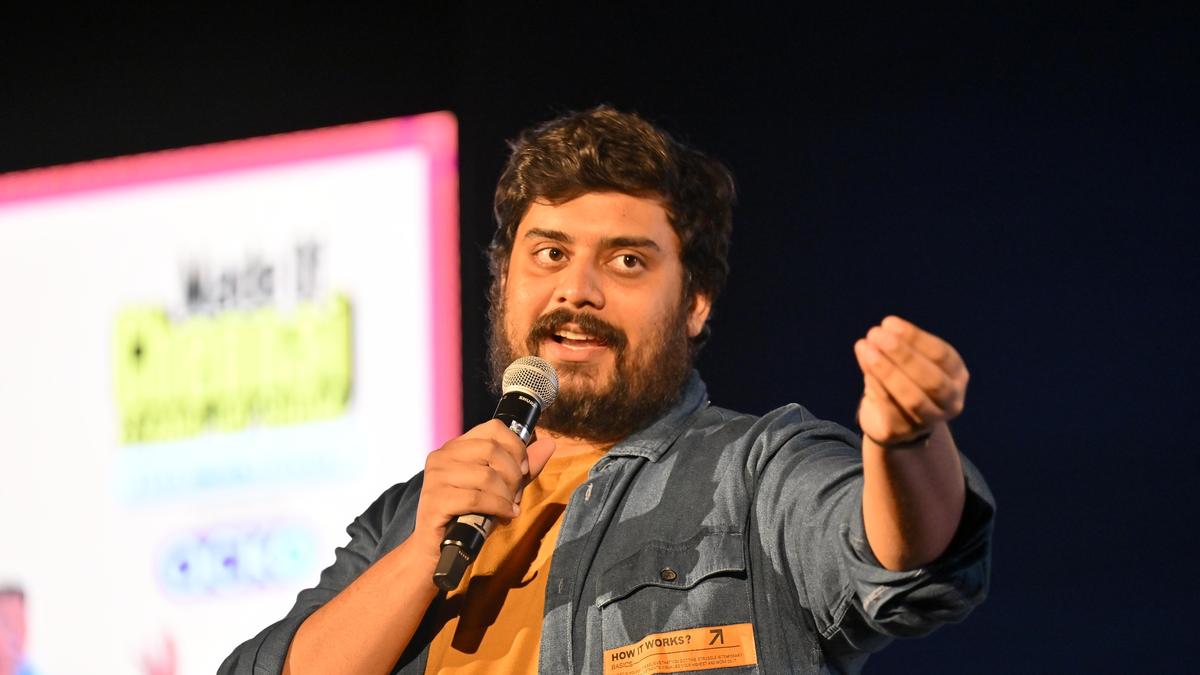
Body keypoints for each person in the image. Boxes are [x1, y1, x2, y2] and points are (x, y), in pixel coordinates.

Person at [221, 106, 993, 674]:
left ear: (694, 303)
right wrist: (422, 551)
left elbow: (903, 560)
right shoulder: (412, 513)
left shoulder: (756, 471)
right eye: (549, 253)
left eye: (627, 260)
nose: (577, 290)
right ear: (504, 282)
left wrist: (907, 441)